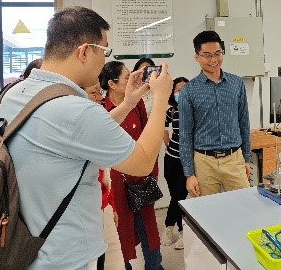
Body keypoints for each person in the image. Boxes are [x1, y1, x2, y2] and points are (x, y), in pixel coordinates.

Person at [0, 6, 172, 269]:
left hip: (21, 246)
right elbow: (143, 162)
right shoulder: (74, 110)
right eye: (104, 51)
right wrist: (161, 98)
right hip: (65, 257)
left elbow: (87, 133)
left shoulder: (14, 93)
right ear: (84, 52)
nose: (104, 60)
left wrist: (128, 103)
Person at [100, 61, 163, 270]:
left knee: (149, 229)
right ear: (112, 83)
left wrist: (152, 172)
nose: (132, 81)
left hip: (141, 177)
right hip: (116, 182)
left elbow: (147, 136)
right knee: (121, 232)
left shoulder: (138, 104)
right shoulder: (101, 109)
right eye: (127, 77)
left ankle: (155, 266)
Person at [179, 30, 251, 198]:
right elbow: (185, 134)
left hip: (234, 159)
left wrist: (246, 158)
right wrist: (189, 174)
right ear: (197, 57)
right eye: (207, 55)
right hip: (204, 162)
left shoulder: (236, 83)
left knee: (245, 205)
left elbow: (244, 123)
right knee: (207, 210)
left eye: (218, 53)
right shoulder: (189, 90)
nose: (213, 60)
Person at [83, 81, 124, 270]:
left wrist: (111, 206)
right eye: (94, 93)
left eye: (100, 92)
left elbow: (105, 175)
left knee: (114, 263)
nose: (100, 98)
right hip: (84, 213)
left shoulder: (97, 123)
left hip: (103, 207)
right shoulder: (76, 129)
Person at [162, 77, 189, 250]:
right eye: (178, 90)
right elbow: (162, 126)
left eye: (185, 88)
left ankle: (169, 226)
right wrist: (167, 142)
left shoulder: (196, 109)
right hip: (171, 158)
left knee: (179, 196)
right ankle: (181, 230)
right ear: (173, 93)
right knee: (175, 196)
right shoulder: (171, 111)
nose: (182, 92)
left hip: (187, 161)